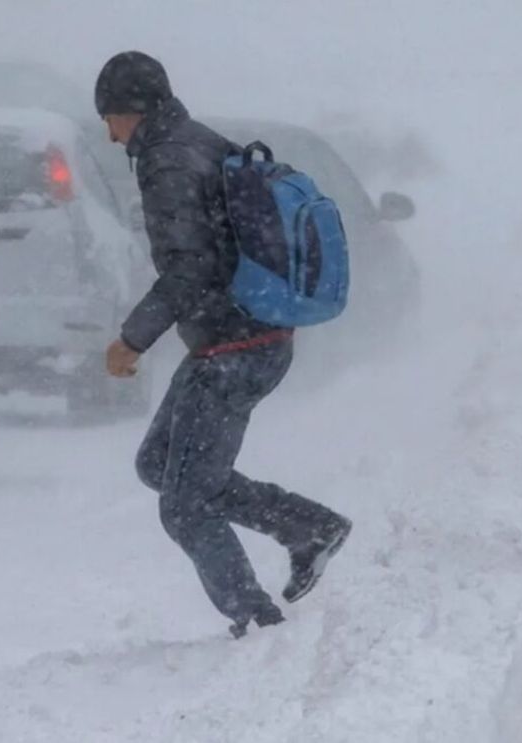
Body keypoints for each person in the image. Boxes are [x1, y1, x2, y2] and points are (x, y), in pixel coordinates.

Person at [95, 51, 353, 637]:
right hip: (247, 339)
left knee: (185, 504)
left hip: (233, 349)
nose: (108, 135)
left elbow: (189, 269)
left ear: (131, 112)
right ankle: (308, 527)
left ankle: (256, 621)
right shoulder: (196, 141)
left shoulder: (166, 162)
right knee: (159, 464)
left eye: (109, 118)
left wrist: (132, 340)